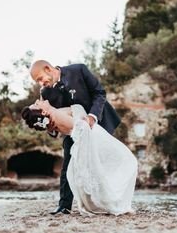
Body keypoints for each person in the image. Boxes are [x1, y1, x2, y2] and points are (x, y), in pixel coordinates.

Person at [29, 60, 123, 215]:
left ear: (48, 68)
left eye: (40, 78)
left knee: (102, 163)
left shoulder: (79, 70)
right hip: (73, 129)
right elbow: (54, 121)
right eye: (37, 81)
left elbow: (99, 93)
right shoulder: (45, 93)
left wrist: (92, 117)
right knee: (68, 163)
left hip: (98, 122)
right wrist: (50, 128)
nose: (41, 83)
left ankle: (111, 201)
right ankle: (64, 206)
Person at [22, 99, 137, 215]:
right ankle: (111, 200)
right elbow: (80, 129)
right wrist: (84, 122)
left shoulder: (55, 115)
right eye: (36, 104)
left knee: (113, 165)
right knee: (126, 160)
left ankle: (109, 199)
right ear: (43, 113)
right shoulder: (57, 115)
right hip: (95, 135)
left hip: (93, 134)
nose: (38, 100)